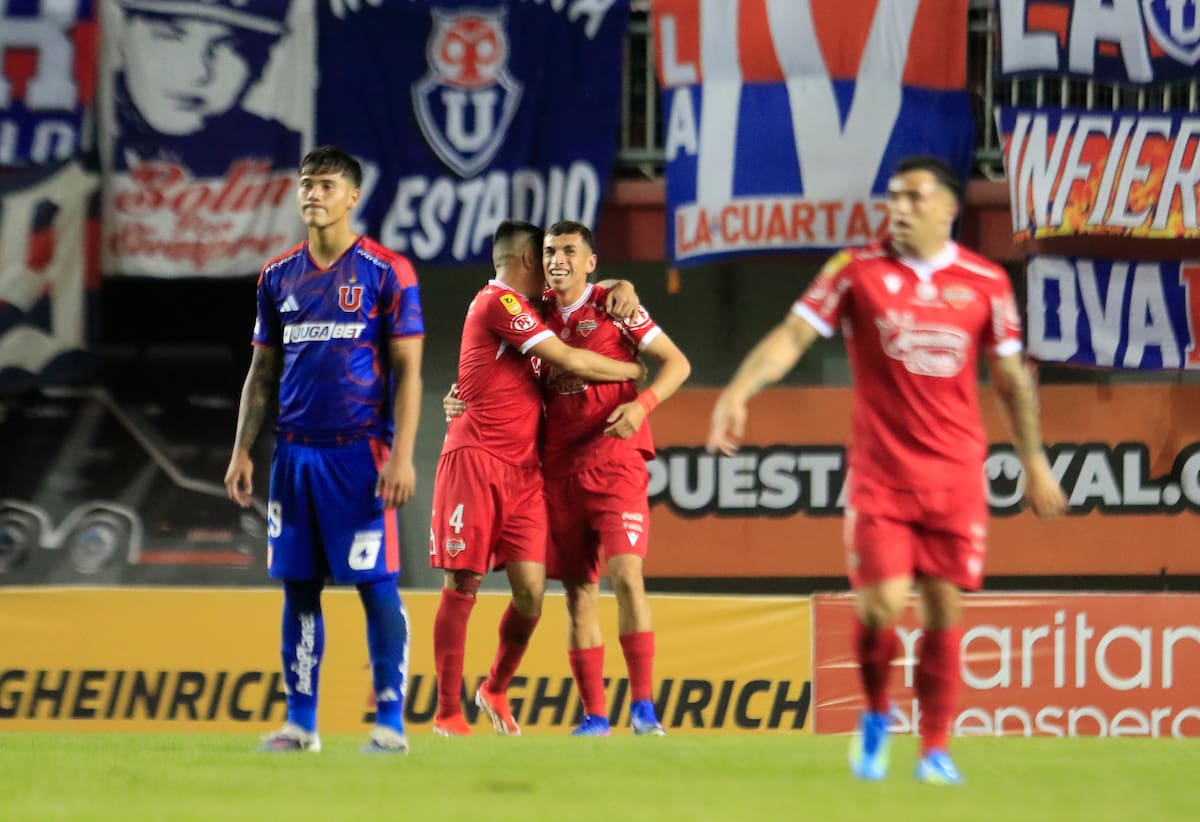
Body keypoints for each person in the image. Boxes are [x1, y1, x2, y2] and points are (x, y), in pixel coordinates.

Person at [706, 156, 1067, 783]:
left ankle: (934, 749)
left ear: (947, 208)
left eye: (913, 198)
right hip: (881, 475)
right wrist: (739, 391)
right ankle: (876, 713)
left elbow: (1011, 378)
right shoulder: (856, 270)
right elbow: (793, 335)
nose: (898, 208)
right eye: (893, 197)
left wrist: (1034, 461)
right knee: (881, 608)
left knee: (944, 609)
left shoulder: (985, 281)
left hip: (955, 474)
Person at [224, 145, 423, 754]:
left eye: (327, 185)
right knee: (299, 586)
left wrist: (402, 454)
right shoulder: (277, 276)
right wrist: (242, 450)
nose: (313, 193)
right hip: (294, 456)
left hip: (359, 456)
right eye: (307, 184)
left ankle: (390, 723)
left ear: (353, 196)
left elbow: (409, 372)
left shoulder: (387, 271)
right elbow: (261, 372)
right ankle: (301, 725)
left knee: (376, 585)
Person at [429, 220, 645, 737]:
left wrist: (622, 285)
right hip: (476, 458)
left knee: (530, 592)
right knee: (463, 582)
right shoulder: (499, 302)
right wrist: (633, 373)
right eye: (547, 255)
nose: (555, 266)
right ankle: (447, 713)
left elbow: (585, 288)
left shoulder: (535, 310)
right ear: (530, 260)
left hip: (526, 472)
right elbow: (568, 358)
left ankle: (494, 688)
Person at [539, 220, 691, 737]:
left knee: (626, 575)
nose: (557, 260)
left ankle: (644, 709)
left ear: (590, 262)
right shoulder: (531, 312)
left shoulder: (614, 305)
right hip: (558, 470)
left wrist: (643, 405)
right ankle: (595, 717)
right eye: (550, 251)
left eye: (568, 251)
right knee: (578, 594)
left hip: (615, 462)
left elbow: (677, 363)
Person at [112, 0, 300, 175]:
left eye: (231, 45)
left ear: (261, 65)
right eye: (168, 35)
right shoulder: (100, 129)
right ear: (122, 40)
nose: (198, 73)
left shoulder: (287, 148)